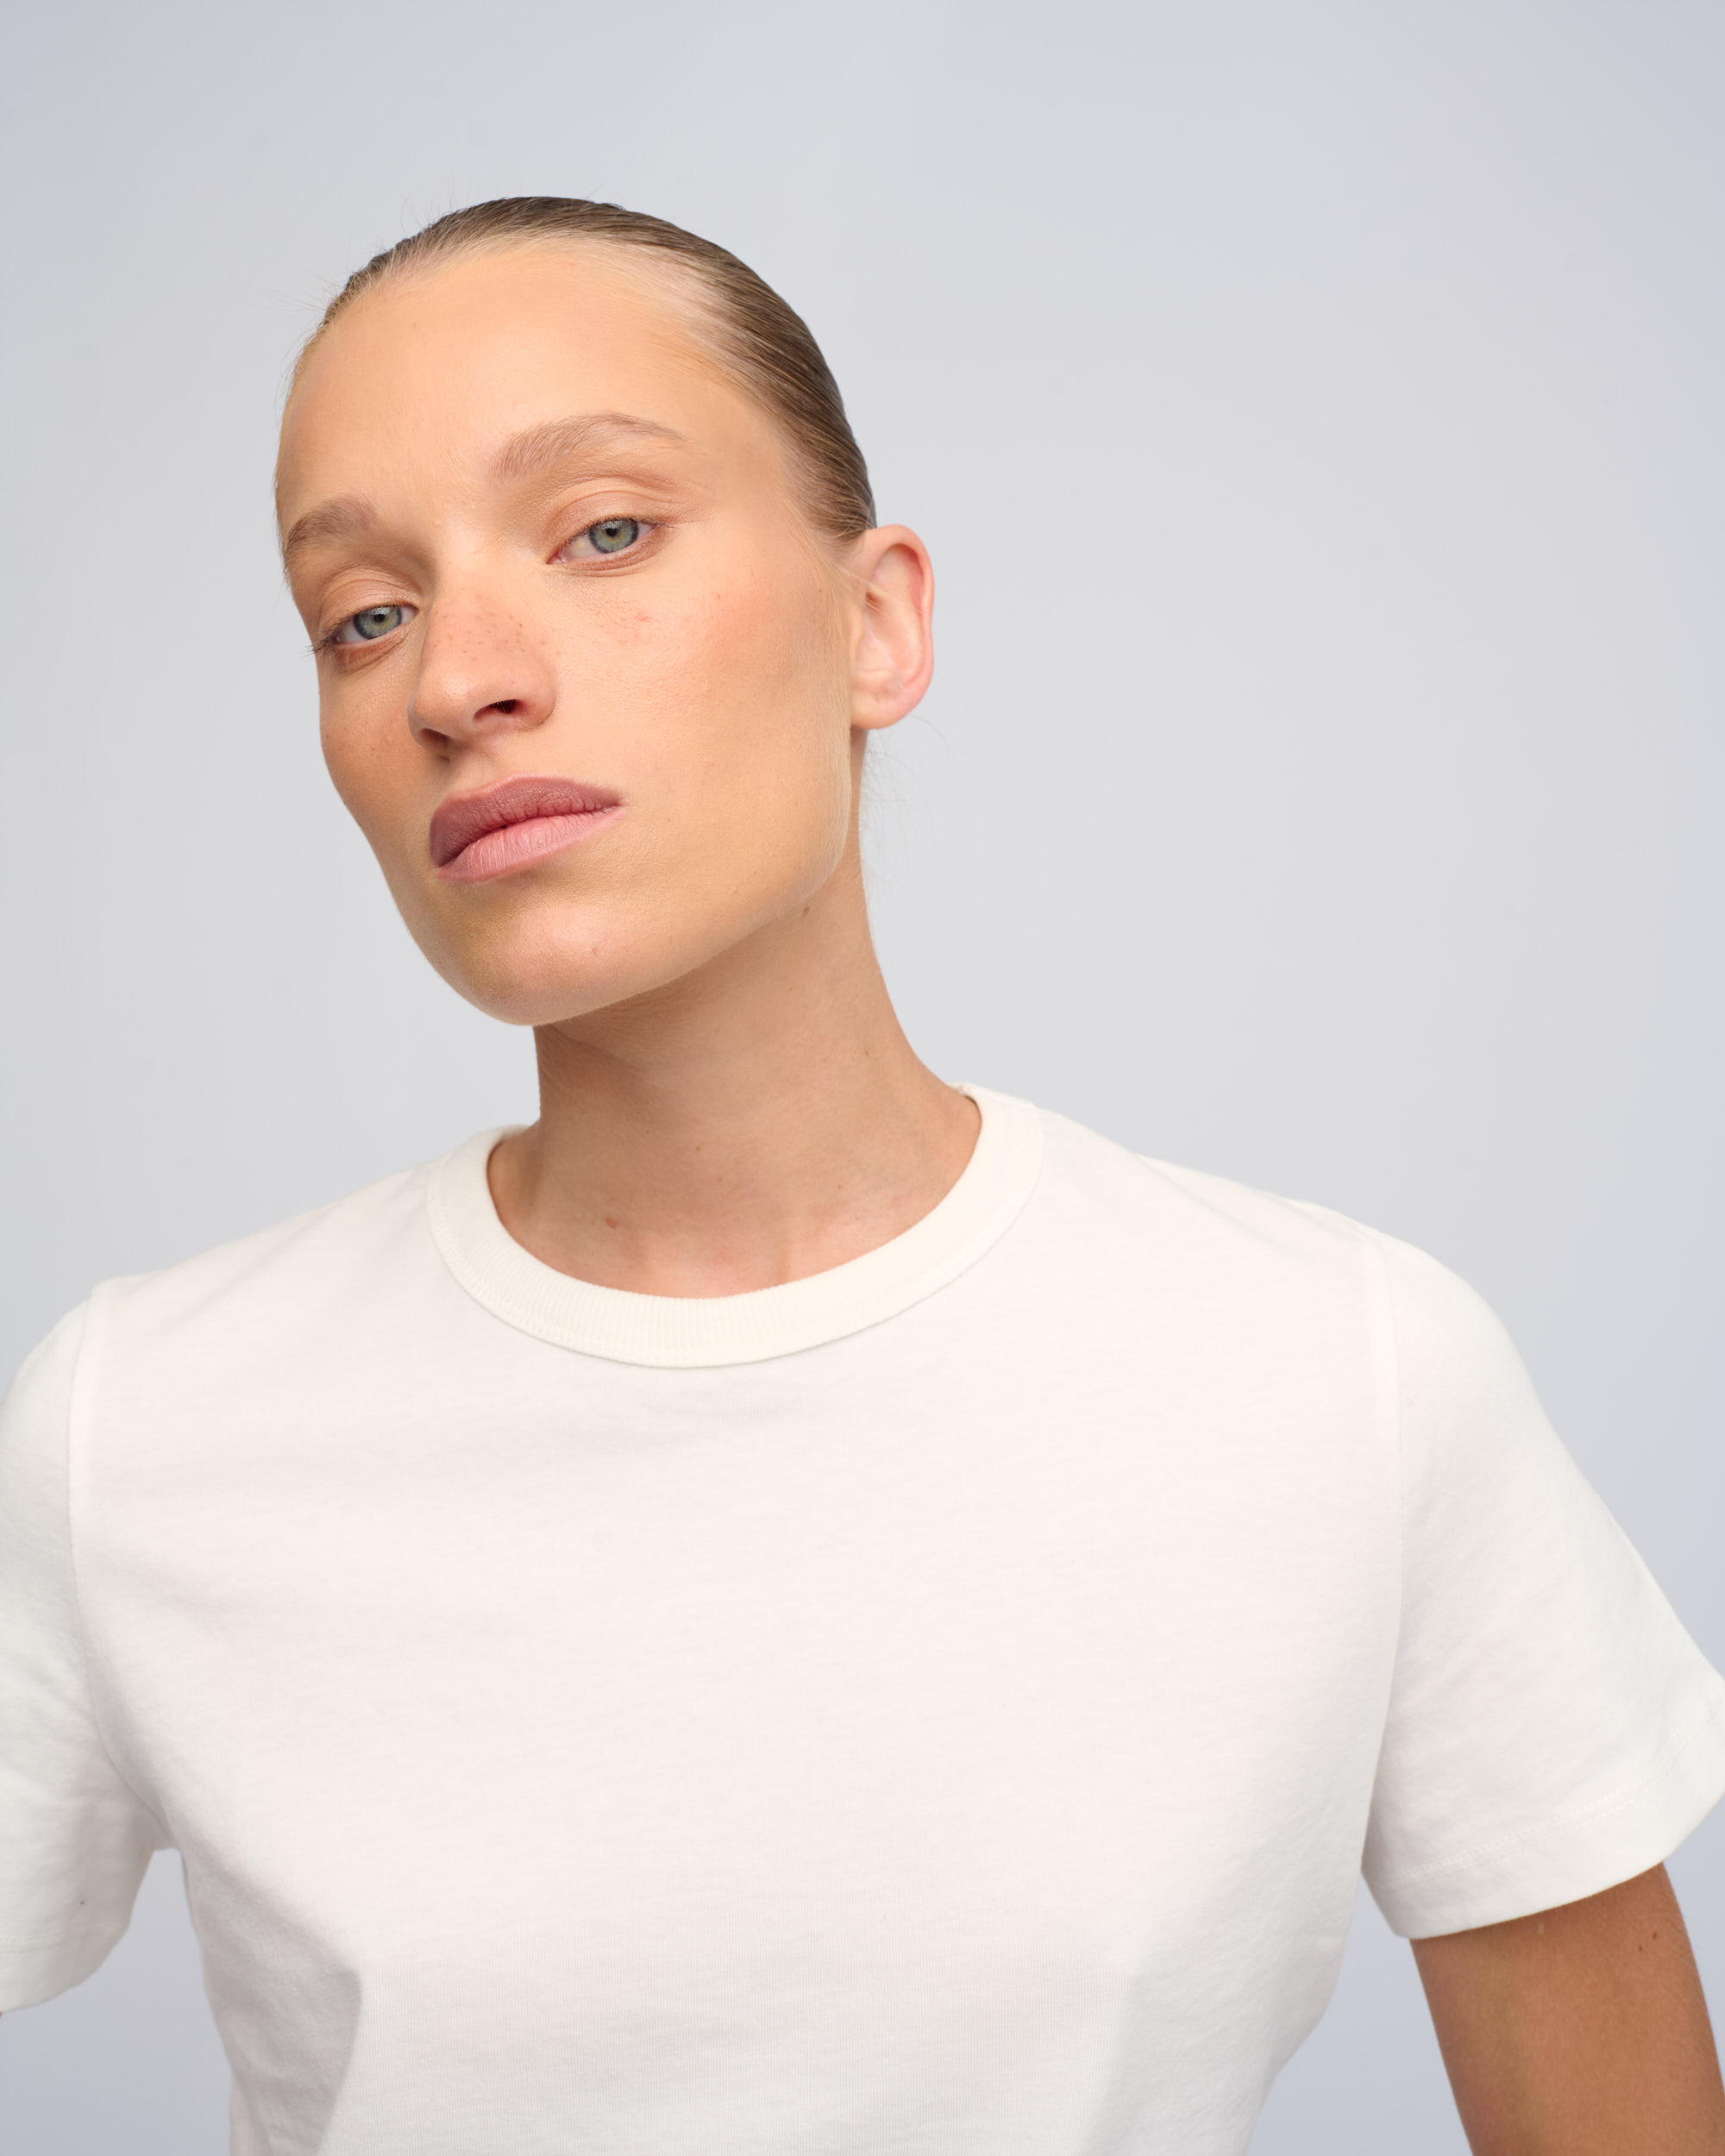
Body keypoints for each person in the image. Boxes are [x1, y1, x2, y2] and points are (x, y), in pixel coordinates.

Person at [1, 197, 1722, 2156]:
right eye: (363, 613)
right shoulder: (143, 1422)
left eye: (603, 531)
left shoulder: (1344, 1376)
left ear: (876, 624)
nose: (456, 679)